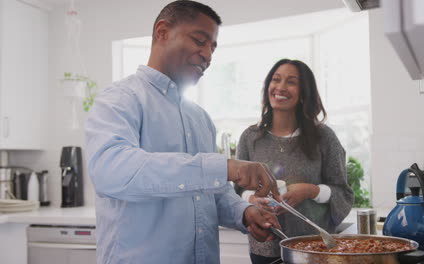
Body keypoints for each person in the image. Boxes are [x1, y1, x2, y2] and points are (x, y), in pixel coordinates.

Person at [85, 1, 282, 263]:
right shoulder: (120, 99)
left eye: (212, 48)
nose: (208, 56)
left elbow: (212, 193)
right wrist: (224, 167)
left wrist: (244, 213)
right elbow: (111, 171)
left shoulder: (200, 118)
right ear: (162, 32)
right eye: (200, 41)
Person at [235, 59, 354, 263]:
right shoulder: (250, 137)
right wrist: (252, 199)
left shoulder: (324, 138)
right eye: (276, 79)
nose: (280, 87)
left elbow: (343, 193)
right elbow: (237, 190)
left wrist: (311, 191)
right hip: (263, 248)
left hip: (314, 250)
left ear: (303, 94)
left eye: (291, 82)